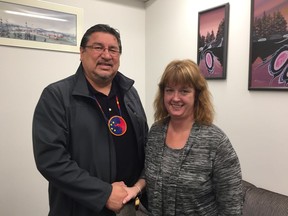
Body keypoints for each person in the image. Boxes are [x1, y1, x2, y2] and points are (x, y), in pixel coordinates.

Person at [32, 24, 148, 216]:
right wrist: (104, 194)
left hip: (130, 205)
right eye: (98, 47)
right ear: (81, 52)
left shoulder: (130, 93)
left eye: (113, 49)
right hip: (81, 209)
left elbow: (145, 144)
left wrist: (138, 188)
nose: (106, 55)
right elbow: (51, 160)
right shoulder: (56, 96)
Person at [144, 59, 243, 215]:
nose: (175, 98)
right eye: (169, 90)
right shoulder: (156, 132)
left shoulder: (216, 141)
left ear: (197, 95)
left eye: (184, 91)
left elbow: (231, 206)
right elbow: (148, 173)